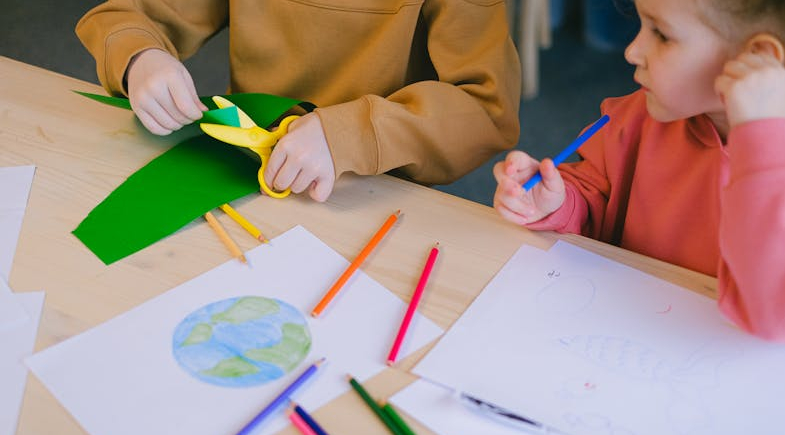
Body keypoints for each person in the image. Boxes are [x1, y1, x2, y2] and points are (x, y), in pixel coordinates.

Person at [493, 0, 785, 340]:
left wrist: (760, 150)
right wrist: (559, 203)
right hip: (618, 336)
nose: (632, 51)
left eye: (661, 34)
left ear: (758, 58)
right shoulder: (637, 118)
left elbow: (769, 311)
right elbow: (599, 203)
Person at [76, 0, 521, 202]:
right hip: (249, 173)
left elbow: (485, 109)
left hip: (373, 190)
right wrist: (140, 55)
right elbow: (128, 15)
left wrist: (349, 134)